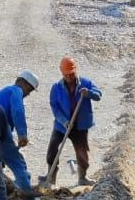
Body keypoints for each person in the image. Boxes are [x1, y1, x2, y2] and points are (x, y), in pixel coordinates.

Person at [0, 70, 39, 200]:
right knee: (18, 164)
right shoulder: (15, 91)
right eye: (30, 89)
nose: (28, 94)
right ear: (23, 83)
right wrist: (22, 134)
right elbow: (18, 111)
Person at [43, 56, 102, 186]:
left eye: (72, 74)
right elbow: (55, 108)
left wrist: (89, 93)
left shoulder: (86, 83)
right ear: (61, 72)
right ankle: (51, 178)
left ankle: (82, 178)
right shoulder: (56, 88)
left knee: (82, 152)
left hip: (80, 125)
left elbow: (98, 95)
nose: (69, 77)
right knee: (52, 150)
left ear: (76, 70)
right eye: (66, 74)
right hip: (62, 125)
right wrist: (64, 121)